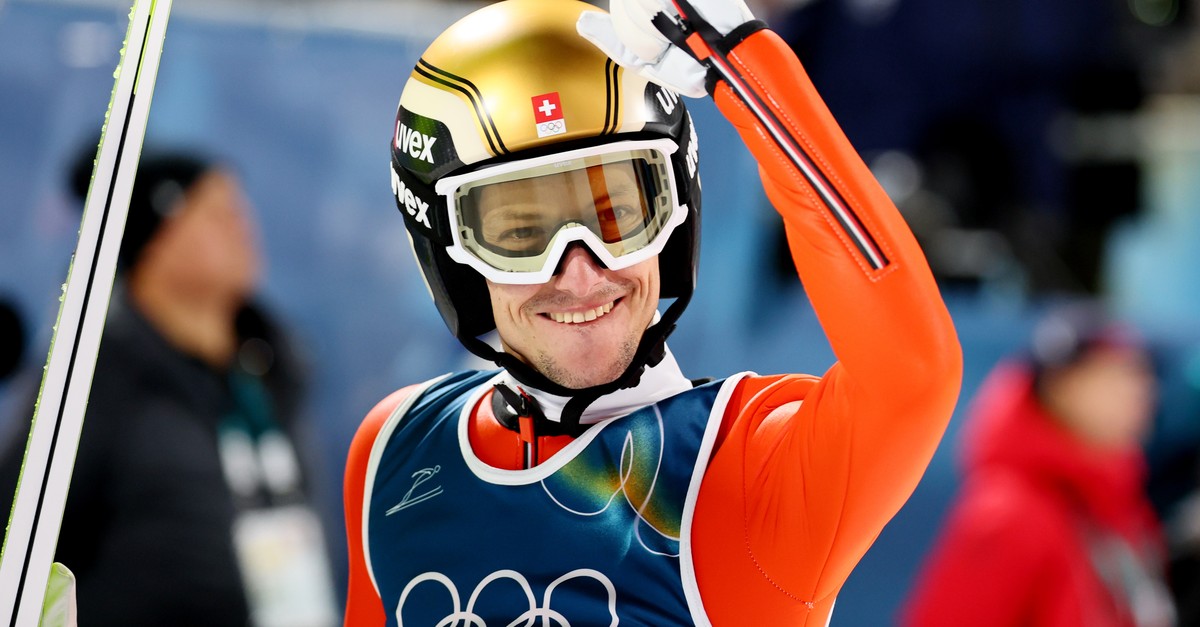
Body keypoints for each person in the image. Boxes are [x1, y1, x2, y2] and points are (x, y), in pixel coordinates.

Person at [343, 0, 962, 624]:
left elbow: (911, 376)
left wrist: (745, 67)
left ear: (675, 218)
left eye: (617, 216)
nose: (580, 275)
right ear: (452, 254)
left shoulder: (744, 469)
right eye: (522, 234)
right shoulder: (394, 449)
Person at [0, 142, 337, 626]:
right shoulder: (96, 381)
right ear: (156, 239)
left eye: (240, 209)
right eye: (217, 213)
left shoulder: (270, 372)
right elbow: (19, 539)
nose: (242, 225)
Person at [900, 303, 1177, 627]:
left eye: (1142, 375)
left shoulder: (1120, 508)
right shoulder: (1009, 512)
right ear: (1060, 387)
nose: (1139, 391)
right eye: (1114, 375)